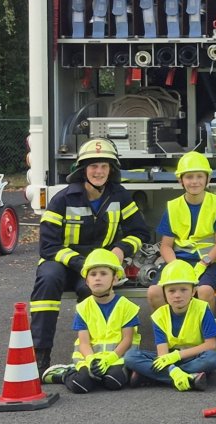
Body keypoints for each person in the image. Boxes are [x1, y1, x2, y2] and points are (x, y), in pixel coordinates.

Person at [31, 138, 150, 374]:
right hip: (61, 263)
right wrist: (80, 263)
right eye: (93, 166)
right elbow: (48, 245)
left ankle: (94, 358)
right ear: (82, 170)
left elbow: (140, 232)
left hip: (95, 266)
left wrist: (121, 249)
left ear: (111, 170)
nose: (99, 171)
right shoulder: (62, 199)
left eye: (104, 166)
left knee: (91, 290)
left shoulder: (120, 196)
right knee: (48, 281)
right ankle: (39, 356)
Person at [40, 249, 140, 393]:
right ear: (86, 281)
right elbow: (84, 342)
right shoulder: (83, 308)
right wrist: (91, 359)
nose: (97, 278)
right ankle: (64, 374)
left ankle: (102, 376)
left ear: (115, 279)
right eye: (93, 274)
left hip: (117, 358)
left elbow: (128, 339)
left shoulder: (127, 306)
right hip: (90, 357)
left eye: (103, 274)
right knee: (80, 385)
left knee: (114, 381)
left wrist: (111, 358)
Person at [147, 151, 216, 312]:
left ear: (207, 178)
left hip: (208, 262)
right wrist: (175, 266)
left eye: (199, 176)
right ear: (181, 180)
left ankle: (206, 335)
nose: (194, 182)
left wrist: (204, 263)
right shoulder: (173, 206)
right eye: (189, 177)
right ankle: (169, 332)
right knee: (154, 292)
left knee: (205, 291)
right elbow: (166, 246)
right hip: (179, 261)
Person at [124, 260, 216, 391]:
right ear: (164, 293)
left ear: (193, 291)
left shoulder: (203, 309)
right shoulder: (159, 315)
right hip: (169, 359)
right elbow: (162, 354)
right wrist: (172, 369)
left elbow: (211, 345)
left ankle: (150, 376)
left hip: (195, 357)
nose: (177, 295)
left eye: (183, 290)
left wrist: (176, 357)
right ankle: (188, 377)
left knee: (213, 358)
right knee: (130, 356)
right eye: (171, 291)